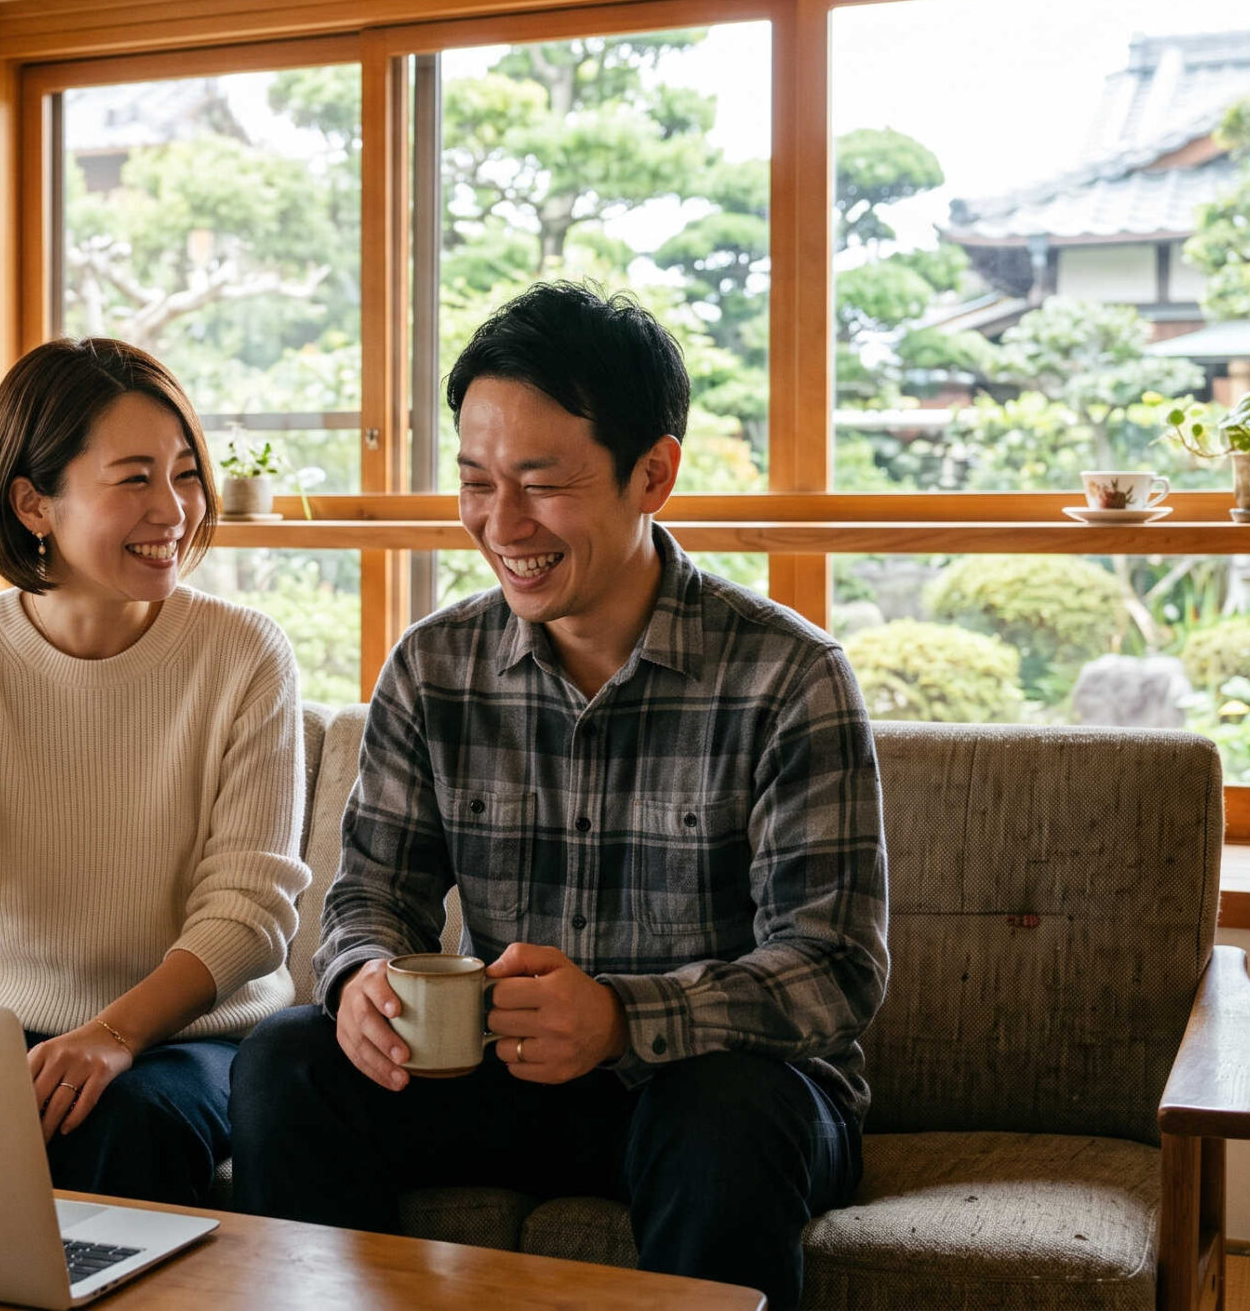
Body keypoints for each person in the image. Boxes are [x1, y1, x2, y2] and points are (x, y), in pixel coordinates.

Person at [229, 283, 888, 1308]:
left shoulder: (787, 676)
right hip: (502, 1078)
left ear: (652, 473)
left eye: (540, 482)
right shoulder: (434, 663)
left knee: (724, 1110)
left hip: (713, 1088)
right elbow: (371, 899)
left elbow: (832, 969)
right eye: (477, 482)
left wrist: (625, 1017)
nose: (501, 524)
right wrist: (360, 976)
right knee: (288, 1060)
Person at [0, 336, 309, 1208]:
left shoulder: (245, 655)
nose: (174, 508)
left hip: (197, 1036)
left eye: (185, 472)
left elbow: (250, 914)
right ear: (33, 504)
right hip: (9, 1029)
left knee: (128, 1121)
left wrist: (113, 1034)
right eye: (134, 477)